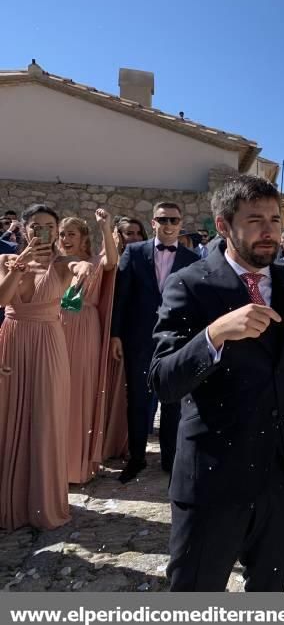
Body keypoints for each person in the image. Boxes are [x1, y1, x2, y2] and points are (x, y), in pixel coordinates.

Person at [150, 176, 284, 591]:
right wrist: (214, 335)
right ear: (223, 226)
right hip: (214, 477)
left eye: (276, 220)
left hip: (281, 475)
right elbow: (162, 380)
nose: (270, 232)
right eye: (255, 220)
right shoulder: (189, 284)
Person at [0, 204, 93, 530]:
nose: (43, 231)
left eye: (49, 226)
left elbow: (81, 265)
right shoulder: (5, 260)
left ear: (56, 231)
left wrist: (82, 269)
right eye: (35, 225)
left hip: (49, 345)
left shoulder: (64, 263)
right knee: (6, 416)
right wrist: (19, 267)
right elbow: (1, 300)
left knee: (45, 417)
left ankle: (41, 502)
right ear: (23, 229)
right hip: (11, 341)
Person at [110, 201, 199, 483]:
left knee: (172, 401)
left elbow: (195, 304)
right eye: (163, 220)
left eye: (174, 220)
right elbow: (121, 298)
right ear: (153, 222)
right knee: (136, 398)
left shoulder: (192, 259)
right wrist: (115, 334)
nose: (169, 225)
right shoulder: (134, 252)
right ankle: (136, 458)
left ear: (181, 222)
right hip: (138, 338)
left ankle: (170, 461)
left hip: (176, 341)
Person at [58, 210, 119, 484]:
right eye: (62, 234)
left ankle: (76, 464)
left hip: (85, 327)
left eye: (71, 233)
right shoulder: (55, 263)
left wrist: (105, 227)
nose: (65, 238)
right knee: (55, 393)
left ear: (83, 239)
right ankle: (54, 463)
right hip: (56, 326)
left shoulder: (95, 261)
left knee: (80, 392)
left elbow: (112, 260)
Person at [103, 217, 146, 460]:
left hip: (130, 331)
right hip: (103, 327)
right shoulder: (107, 259)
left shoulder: (143, 258)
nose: (134, 237)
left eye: (138, 233)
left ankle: (121, 439)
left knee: (125, 388)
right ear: (117, 235)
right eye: (128, 233)